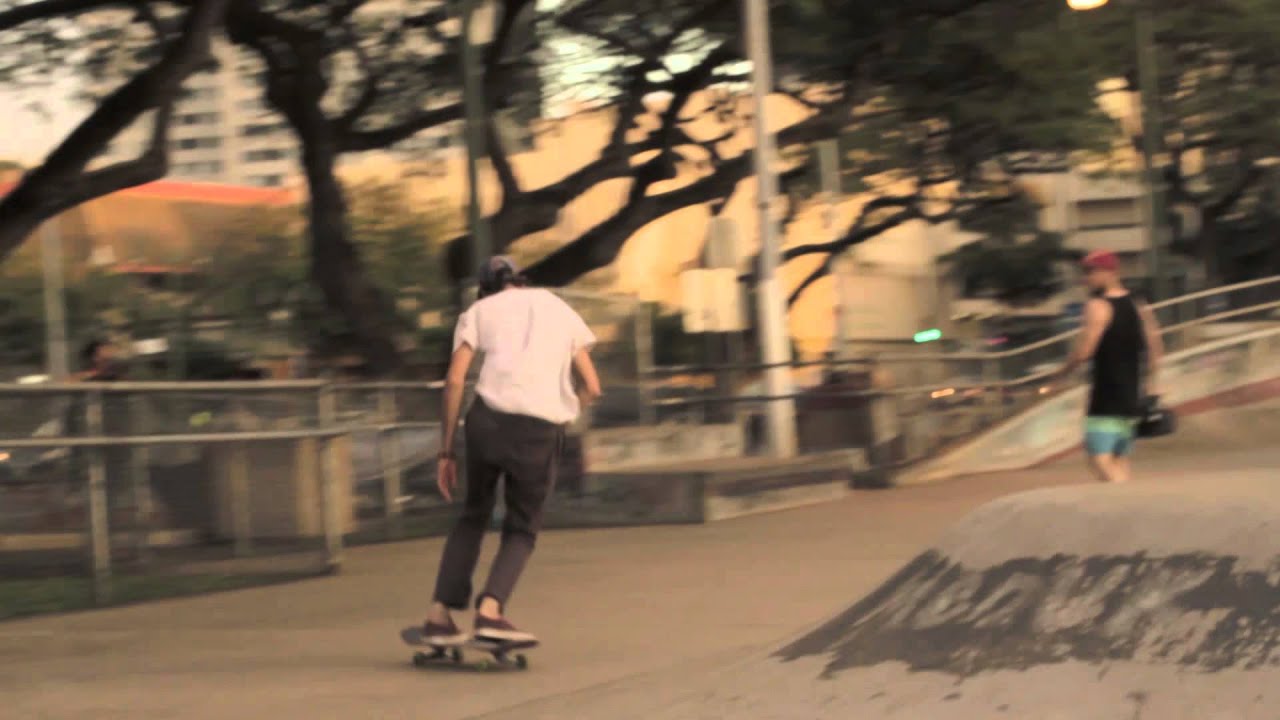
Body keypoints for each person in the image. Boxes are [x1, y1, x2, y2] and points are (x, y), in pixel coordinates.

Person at [416, 256, 602, 646]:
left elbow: (454, 381)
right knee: (522, 526)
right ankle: (490, 612)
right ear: (520, 281)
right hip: (540, 430)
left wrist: (446, 451)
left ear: (485, 288)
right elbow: (592, 386)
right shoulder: (559, 308)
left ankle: (438, 616)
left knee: (472, 516)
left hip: (487, 423)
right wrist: (565, 416)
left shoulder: (479, 311)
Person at [1054, 250, 1163, 484]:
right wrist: (1152, 386)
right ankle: (1124, 506)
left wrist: (1061, 373)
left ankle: (1124, 503)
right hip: (1133, 396)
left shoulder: (1097, 306)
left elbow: (1085, 352)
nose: (1086, 278)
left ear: (1109, 272)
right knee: (1119, 458)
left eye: (1090, 272)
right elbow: (1155, 347)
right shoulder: (1138, 304)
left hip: (1106, 397)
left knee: (1098, 458)